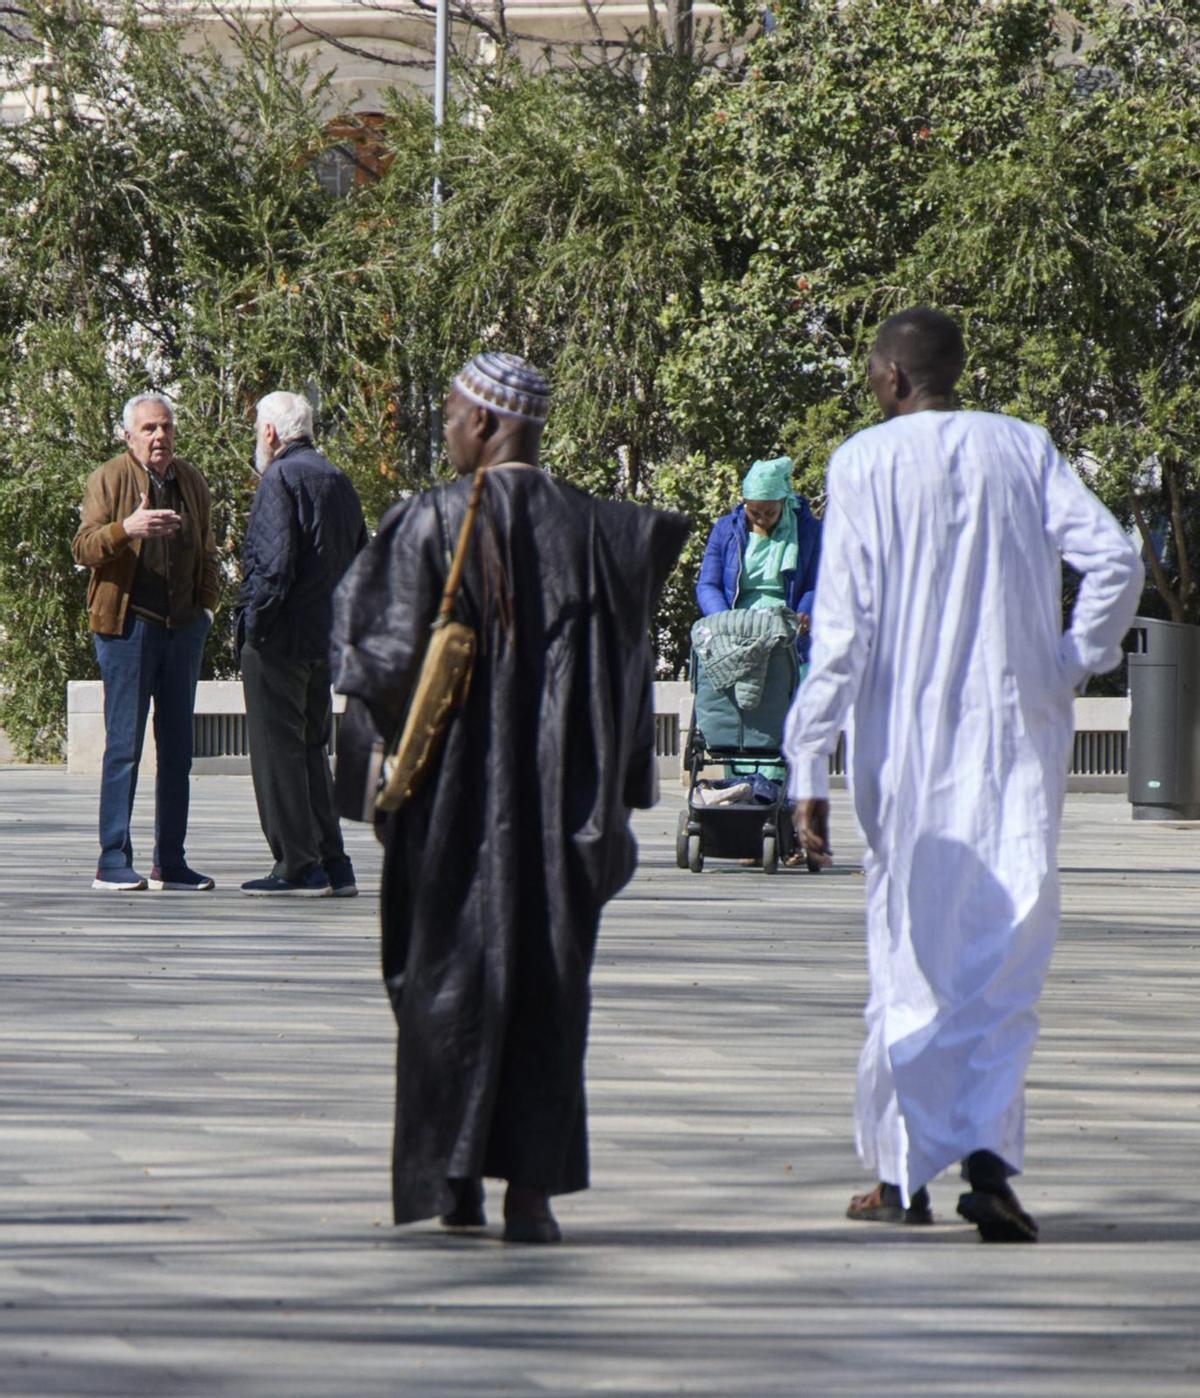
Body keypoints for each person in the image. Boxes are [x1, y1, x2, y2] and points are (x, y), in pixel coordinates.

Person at [784, 308, 1142, 1242]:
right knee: (1004, 959)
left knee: (909, 956)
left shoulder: (863, 463)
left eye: (871, 369)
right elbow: (1114, 558)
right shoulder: (1023, 449)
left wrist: (806, 762)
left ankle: (904, 1181)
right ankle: (988, 1166)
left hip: (906, 756)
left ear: (897, 378)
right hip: (1014, 748)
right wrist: (1068, 660)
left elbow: (844, 628)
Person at [331, 351, 687, 1243]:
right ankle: (530, 1196)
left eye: (452, 415)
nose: (446, 429)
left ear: (487, 424)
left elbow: (370, 661)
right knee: (547, 987)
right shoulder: (603, 534)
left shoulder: (429, 522)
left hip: (448, 811)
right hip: (563, 813)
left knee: (438, 981)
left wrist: (365, 783)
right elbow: (632, 677)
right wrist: (624, 797)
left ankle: (453, 1180)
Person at [73, 393, 219, 892]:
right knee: (125, 747)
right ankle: (112, 859)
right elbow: (84, 546)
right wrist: (126, 528)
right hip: (128, 628)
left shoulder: (191, 481)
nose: (160, 437)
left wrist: (205, 610)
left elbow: (209, 552)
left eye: (167, 427)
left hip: (183, 630)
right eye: (150, 429)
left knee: (178, 751)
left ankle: (170, 862)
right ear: (129, 436)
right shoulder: (109, 478)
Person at [236, 392, 367, 897]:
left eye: (257, 429)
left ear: (270, 433)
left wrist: (253, 624)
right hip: (323, 641)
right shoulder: (337, 479)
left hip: (281, 639)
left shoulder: (280, 478)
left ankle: (297, 866)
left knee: (278, 752)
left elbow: (273, 565)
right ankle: (335, 864)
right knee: (313, 749)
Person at [696, 455, 822, 662]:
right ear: (745, 504)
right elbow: (707, 585)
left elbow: (815, 584)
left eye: (770, 513)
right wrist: (725, 621)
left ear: (783, 501)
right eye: (754, 513)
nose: (762, 520)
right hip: (736, 630)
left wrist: (801, 618)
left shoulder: (809, 531)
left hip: (786, 632)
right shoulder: (725, 529)